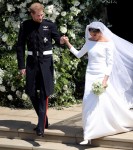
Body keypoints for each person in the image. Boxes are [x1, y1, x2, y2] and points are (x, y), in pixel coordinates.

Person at [63, 21, 133, 145]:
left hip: (102, 75)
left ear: (101, 32)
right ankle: (89, 132)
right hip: (90, 74)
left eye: (95, 33)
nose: (93, 35)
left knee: (104, 102)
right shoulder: (89, 41)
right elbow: (79, 54)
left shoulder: (108, 43)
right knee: (88, 102)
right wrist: (67, 43)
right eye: (91, 32)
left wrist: (105, 79)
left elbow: (110, 63)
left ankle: (91, 133)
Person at [16, 2, 65, 137]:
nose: (41, 17)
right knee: (31, 92)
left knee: (44, 93)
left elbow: (58, 40)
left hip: (45, 63)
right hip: (32, 63)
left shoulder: (49, 25)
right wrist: (21, 66)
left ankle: (40, 126)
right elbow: (20, 46)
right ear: (31, 14)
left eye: (42, 14)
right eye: (38, 15)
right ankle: (44, 120)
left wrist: (62, 41)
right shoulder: (25, 25)